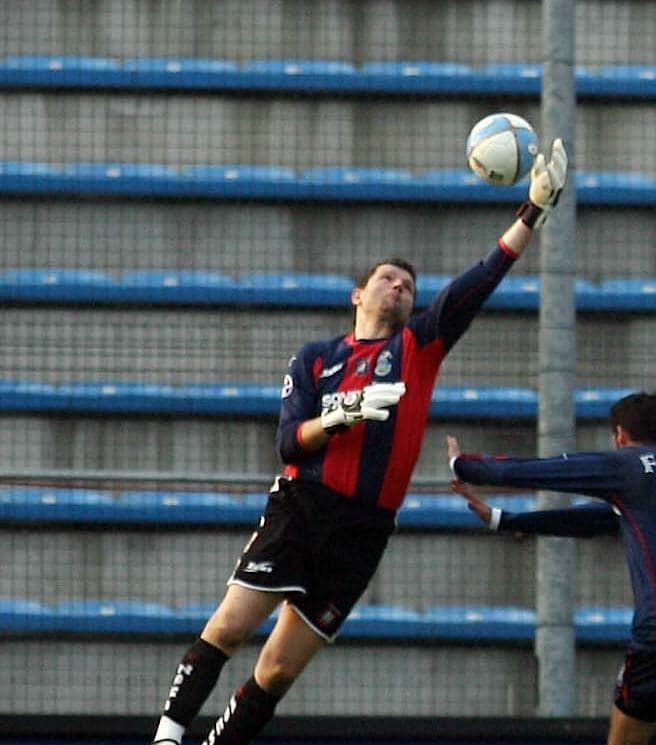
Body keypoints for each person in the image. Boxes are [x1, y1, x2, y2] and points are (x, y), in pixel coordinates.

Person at [150, 140, 568, 745]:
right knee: (234, 624)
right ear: (359, 294)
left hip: (364, 528)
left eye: (406, 284)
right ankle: (166, 736)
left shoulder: (419, 347)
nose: (398, 287)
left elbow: (477, 283)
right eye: (387, 279)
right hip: (303, 506)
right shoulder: (317, 358)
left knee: (278, 668)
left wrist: (531, 211)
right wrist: (340, 416)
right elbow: (290, 444)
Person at [447, 392, 656, 745]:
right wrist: (507, 519)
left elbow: (547, 471)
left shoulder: (628, 464)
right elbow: (599, 520)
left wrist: (465, 466)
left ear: (620, 435)